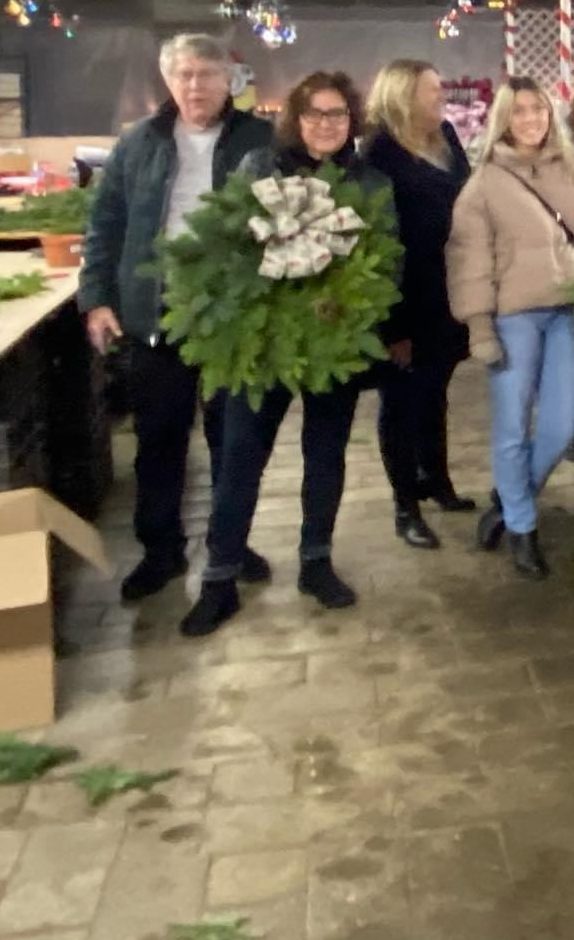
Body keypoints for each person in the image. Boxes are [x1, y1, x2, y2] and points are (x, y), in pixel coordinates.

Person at [180, 73, 392, 637]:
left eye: (338, 114)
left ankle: (316, 562)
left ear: (352, 120)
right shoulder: (259, 168)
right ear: (296, 118)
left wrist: (346, 308)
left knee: (325, 454)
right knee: (241, 456)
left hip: (333, 343)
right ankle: (219, 578)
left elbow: (384, 259)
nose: (327, 124)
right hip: (261, 340)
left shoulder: (369, 182)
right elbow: (226, 243)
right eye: (315, 113)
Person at [81, 33, 272, 601]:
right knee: (159, 440)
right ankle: (160, 551)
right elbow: (105, 224)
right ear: (168, 80)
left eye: (207, 74)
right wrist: (96, 298)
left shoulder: (260, 140)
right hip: (157, 314)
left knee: (232, 441)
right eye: (185, 74)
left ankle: (229, 543)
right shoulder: (138, 143)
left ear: (228, 81)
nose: (195, 86)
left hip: (232, 315)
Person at [446, 78, 574, 580]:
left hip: (567, 312)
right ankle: (522, 526)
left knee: (562, 424)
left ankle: (507, 499)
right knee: (512, 425)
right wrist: (479, 326)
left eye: (538, 109)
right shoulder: (484, 183)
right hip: (512, 315)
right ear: (504, 118)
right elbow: (469, 260)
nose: (530, 119)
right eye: (519, 110)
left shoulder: (569, 167)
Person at [363, 60, 472, 549]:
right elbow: (377, 239)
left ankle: (437, 480)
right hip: (405, 298)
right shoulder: (379, 153)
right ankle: (405, 505)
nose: (442, 96)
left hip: (449, 291)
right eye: (433, 90)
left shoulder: (445, 136)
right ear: (404, 96)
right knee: (401, 403)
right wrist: (392, 326)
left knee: (435, 392)